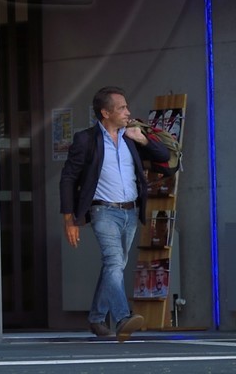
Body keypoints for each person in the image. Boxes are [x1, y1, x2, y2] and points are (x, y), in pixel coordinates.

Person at [59, 86, 171, 340]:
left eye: (126, 106)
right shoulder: (86, 140)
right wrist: (70, 218)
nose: (127, 112)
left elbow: (163, 156)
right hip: (103, 211)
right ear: (105, 112)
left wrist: (142, 138)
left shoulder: (131, 136)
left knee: (116, 265)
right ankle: (123, 317)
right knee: (113, 262)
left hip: (130, 212)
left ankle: (97, 319)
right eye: (121, 108)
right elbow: (68, 178)